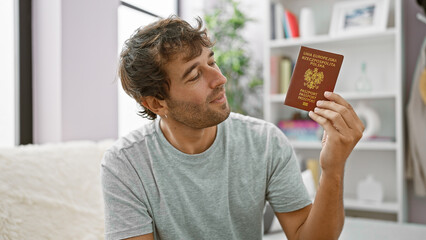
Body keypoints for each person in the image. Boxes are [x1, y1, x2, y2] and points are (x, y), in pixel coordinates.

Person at [101, 16, 364, 240]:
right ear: (156, 103)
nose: (220, 78)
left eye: (212, 62)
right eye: (194, 75)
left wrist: (333, 169)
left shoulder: (265, 141)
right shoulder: (125, 164)